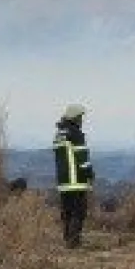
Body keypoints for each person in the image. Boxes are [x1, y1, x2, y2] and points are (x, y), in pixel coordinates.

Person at [53, 104, 94, 247]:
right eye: (80, 117)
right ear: (75, 118)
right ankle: (73, 242)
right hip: (76, 180)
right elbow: (83, 158)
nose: (82, 120)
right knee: (78, 211)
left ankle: (67, 238)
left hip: (63, 180)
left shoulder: (59, 135)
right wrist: (90, 174)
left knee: (67, 211)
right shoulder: (76, 134)